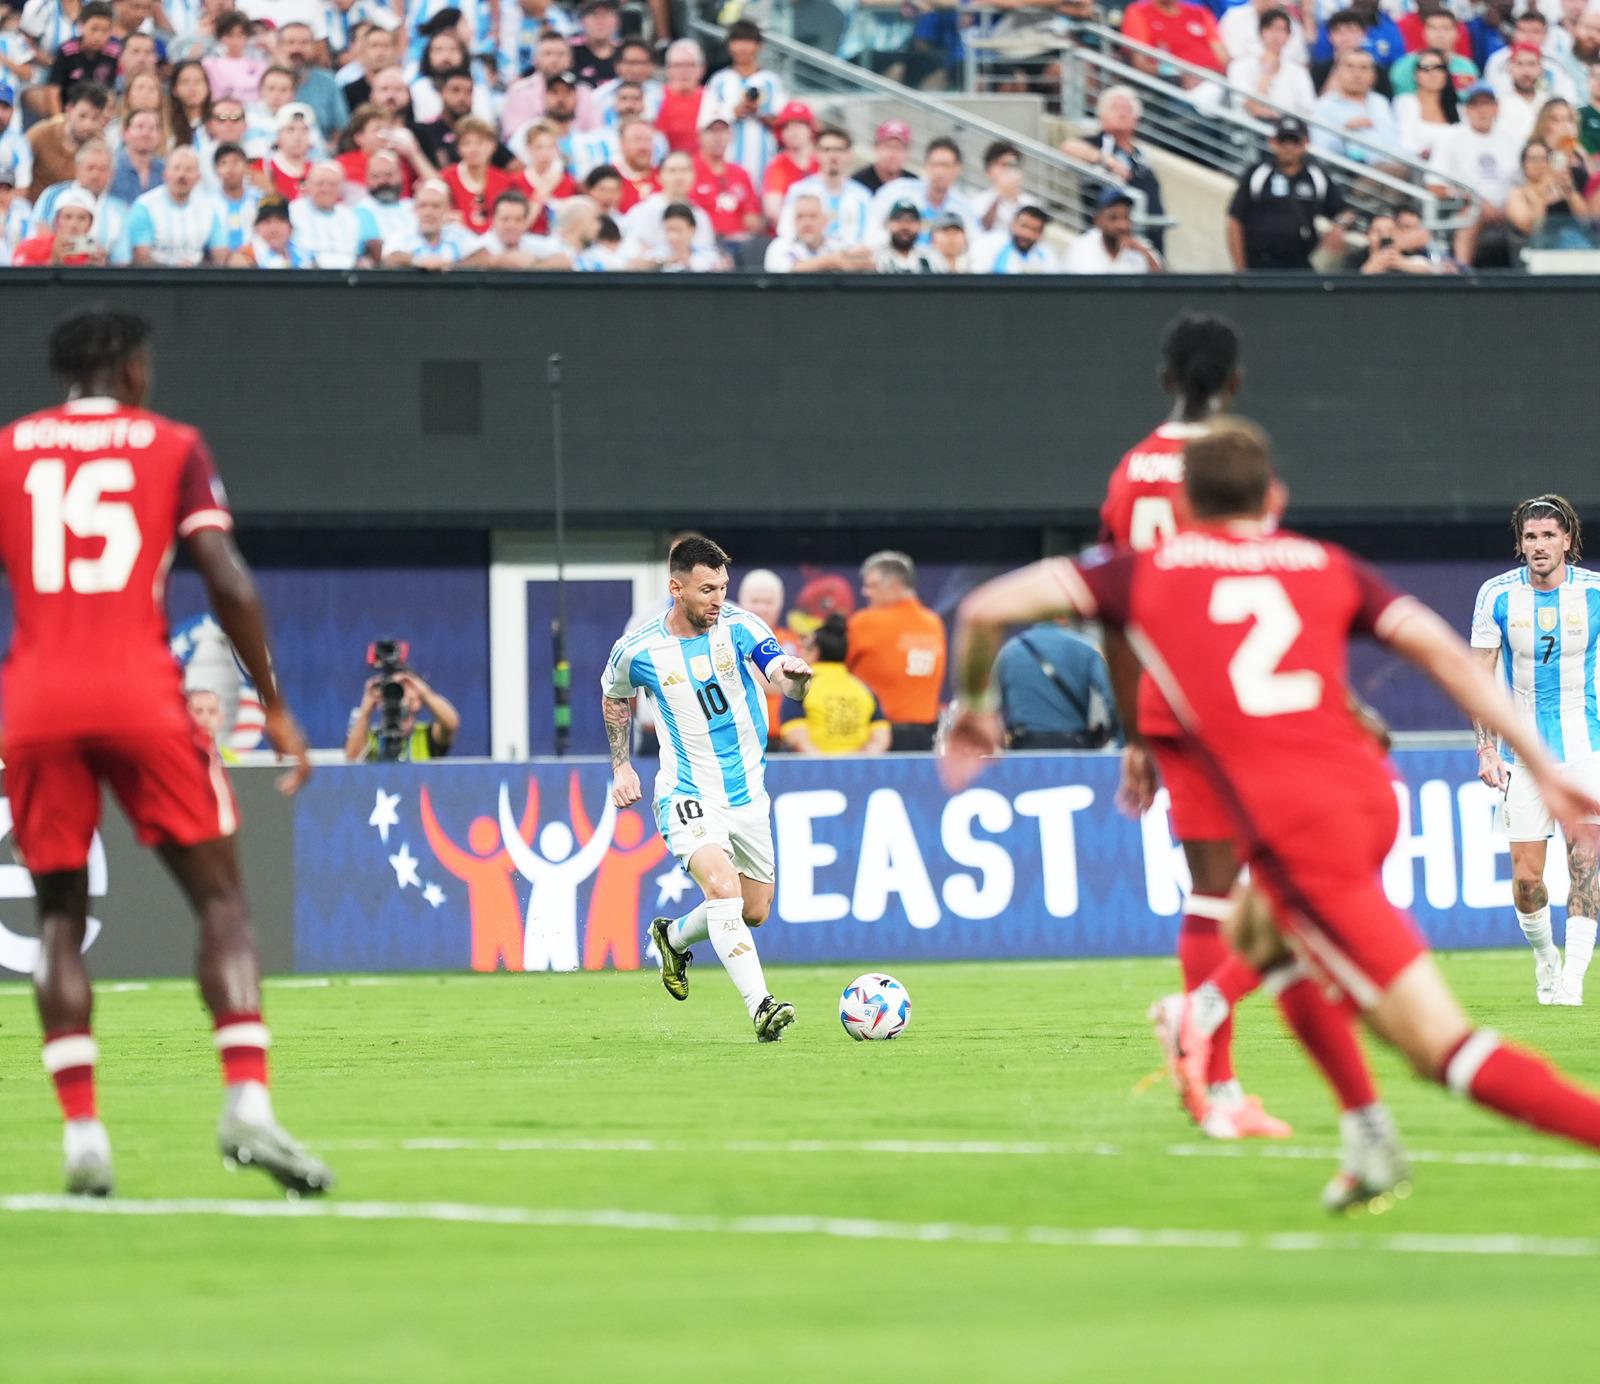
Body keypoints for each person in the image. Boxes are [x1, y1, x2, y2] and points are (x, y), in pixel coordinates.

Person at [943, 417, 1600, 1211]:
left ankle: (1226, 1032)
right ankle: (1345, 1123)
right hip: (1365, 793)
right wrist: (1540, 764)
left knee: (1439, 1047)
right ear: (1276, 497)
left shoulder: (1145, 569)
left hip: (1298, 826)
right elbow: (1444, 656)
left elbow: (984, 609)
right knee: (1265, 936)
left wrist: (976, 708)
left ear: (1183, 500)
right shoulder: (1325, 563)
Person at [0, 308, 329, 1198]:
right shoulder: (171, 444)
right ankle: (247, 1104)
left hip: (35, 699)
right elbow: (225, 576)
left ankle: (81, 1134)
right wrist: (275, 702)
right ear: (133, 369)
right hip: (139, 690)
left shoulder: (10, 448)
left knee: (58, 918)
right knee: (221, 899)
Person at [1090, 313, 1319, 1141]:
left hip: (1165, 703)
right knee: (1309, 887)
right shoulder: (1236, 464)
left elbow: (1113, 617)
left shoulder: (1130, 473)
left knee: (1217, 895)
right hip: (1242, 700)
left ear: (1163, 377)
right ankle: (1206, 1037)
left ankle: (1216, 1086)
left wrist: (1134, 733)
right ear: (1236, 380)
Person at [604, 535, 812, 1043]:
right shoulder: (639, 649)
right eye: (706, 590)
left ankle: (672, 937)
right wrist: (622, 767)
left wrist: (798, 681)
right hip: (686, 791)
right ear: (676, 588)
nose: (718, 599)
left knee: (753, 910)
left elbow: (778, 675)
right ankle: (761, 1006)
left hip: (747, 794)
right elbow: (615, 698)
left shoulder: (741, 627)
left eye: (722, 587)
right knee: (721, 888)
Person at [1472, 497, 1600, 1006]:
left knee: (1585, 863)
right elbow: (1478, 677)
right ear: (1520, 544)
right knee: (1528, 880)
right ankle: (1546, 956)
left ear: (1568, 540)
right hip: (1523, 754)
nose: (1539, 546)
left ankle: (1572, 979)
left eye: (1549, 536)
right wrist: (1486, 749)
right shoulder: (1497, 596)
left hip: (1587, 748)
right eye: (1531, 538)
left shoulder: (1595, 593)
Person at [848, 550, 946, 752]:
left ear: (895, 585)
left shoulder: (865, 622)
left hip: (878, 737)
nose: (865, 592)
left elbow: (830, 672)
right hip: (927, 737)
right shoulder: (934, 623)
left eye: (872, 586)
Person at [1226, 115, 1351, 270]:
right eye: (1283, 141)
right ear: (1273, 142)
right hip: (1259, 262)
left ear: (1305, 143)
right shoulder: (1257, 173)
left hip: (1299, 264)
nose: (1288, 147)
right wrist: (1241, 270)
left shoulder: (1316, 176)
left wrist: (1339, 227)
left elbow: (1345, 211)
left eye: (1295, 141)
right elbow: (1234, 220)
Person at [1059, 86, 1167, 253]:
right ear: (1101, 115)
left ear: (1136, 118)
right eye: (1116, 108)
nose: (1122, 114)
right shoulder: (1098, 143)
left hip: (1148, 237)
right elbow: (1068, 147)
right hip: (1111, 240)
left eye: (1127, 110)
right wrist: (1105, 159)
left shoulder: (1141, 154)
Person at [1430, 83, 1520, 263]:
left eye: (1486, 104)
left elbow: (1522, 180)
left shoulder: (1512, 139)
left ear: (1496, 108)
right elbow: (1434, 185)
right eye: (1475, 105)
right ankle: (1462, 274)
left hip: (1509, 206)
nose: (1481, 111)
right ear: (1466, 110)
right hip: (1467, 204)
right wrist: (1474, 200)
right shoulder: (1451, 138)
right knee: (1470, 215)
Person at [995, 620, 1118, 750]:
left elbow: (993, 708)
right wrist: (1118, 740)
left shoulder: (1008, 651)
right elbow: (1112, 699)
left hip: (1023, 749)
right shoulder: (1087, 646)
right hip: (1076, 748)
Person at [780, 614, 890, 756]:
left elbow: (796, 738)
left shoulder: (800, 688)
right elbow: (881, 738)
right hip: (858, 772)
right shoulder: (864, 690)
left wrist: (826, 764)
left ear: (815, 651)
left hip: (814, 772)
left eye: (805, 648)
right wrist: (858, 762)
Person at [702, 18, 783, 187]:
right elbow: (705, 120)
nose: (742, 47)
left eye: (748, 41)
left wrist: (759, 113)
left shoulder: (771, 81)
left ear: (759, 45)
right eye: (737, 41)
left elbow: (782, 122)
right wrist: (733, 113)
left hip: (764, 158)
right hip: (727, 156)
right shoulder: (719, 80)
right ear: (729, 45)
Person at [127, 145, 226, 266]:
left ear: (198, 178)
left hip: (198, 278)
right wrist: (174, 269)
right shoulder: (144, 205)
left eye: (189, 170)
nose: (181, 175)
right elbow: (141, 258)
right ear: (165, 174)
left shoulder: (209, 208)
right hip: (155, 279)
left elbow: (220, 257)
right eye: (176, 168)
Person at [778, 124, 872, 244]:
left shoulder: (862, 196)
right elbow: (786, 233)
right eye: (827, 150)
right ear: (816, 154)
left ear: (849, 155)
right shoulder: (799, 191)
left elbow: (872, 239)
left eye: (839, 150)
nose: (833, 156)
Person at [689, 101, 762, 246]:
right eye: (711, 131)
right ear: (699, 136)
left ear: (731, 135)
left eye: (723, 130)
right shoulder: (689, 169)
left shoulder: (741, 173)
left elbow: (754, 219)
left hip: (739, 246)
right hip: (701, 244)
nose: (718, 137)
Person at [1224, 7, 1317, 121]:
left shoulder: (1299, 72)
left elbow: (1308, 110)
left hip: (1288, 132)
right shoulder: (1239, 66)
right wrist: (1266, 74)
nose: (1276, 35)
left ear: (1289, 36)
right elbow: (1250, 106)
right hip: (1249, 129)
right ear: (1261, 32)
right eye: (1270, 29)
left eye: (1281, 30)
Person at [1312, 49, 1403, 164]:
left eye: (1364, 68)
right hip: (1351, 174)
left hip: (1393, 166)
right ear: (1337, 72)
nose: (1357, 74)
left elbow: (1395, 142)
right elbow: (1321, 152)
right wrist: (1345, 129)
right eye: (1350, 67)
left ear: (1373, 75)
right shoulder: (1324, 105)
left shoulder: (1380, 102)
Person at [1506, 135, 1596, 246]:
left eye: (1543, 159)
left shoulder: (1561, 187)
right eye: (1533, 159)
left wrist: (1570, 192)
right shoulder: (1517, 193)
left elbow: (1586, 220)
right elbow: (1531, 228)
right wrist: (1543, 193)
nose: (1539, 164)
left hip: (1574, 241)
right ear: (1524, 165)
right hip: (1538, 247)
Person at [290, 159, 379, 265]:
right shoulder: (293, 211)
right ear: (308, 185)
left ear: (341, 188)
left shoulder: (352, 215)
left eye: (332, 184)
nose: (326, 189)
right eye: (320, 183)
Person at [761, 189, 871, 271]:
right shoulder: (780, 246)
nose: (806, 223)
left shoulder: (838, 243)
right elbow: (789, 271)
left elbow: (869, 261)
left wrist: (858, 257)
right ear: (793, 221)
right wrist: (831, 261)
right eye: (800, 217)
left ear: (825, 220)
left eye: (813, 216)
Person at [1062, 186, 1164, 272]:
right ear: (1097, 220)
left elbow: (1162, 287)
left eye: (1126, 217)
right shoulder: (1081, 247)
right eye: (1113, 218)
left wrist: (1144, 253)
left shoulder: (1141, 247)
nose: (1122, 225)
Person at [1119, 0, 1228, 80]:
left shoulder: (1200, 12)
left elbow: (1222, 58)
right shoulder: (1138, 11)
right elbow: (1141, 64)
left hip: (1215, 79)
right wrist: (1179, 74)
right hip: (1177, 83)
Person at [381, 174, 475, 265]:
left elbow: (485, 256)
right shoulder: (402, 235)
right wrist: (419, 262)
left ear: (447, 209)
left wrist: (450, 267)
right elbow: (390, 258)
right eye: (423, 206)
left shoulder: (457, 234)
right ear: (415, 209)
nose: (428, 213)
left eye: (435, 206)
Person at [1393, 48, 1461, 160]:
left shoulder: (1457, 107)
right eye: (1426, 68)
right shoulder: (1406, 102)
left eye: (1439, 68)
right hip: (1419, 167)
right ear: (1416, 75)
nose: (1433, 74)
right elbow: (1405, 142)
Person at [8, 185, 105, 263]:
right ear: (56, 221)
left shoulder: (94, 253)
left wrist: (99, 271)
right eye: (67, 217)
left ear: (91, 224)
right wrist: (54, 260)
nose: (73, 224)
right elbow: (21, 282)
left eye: (81, 218)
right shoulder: (30, 247)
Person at [760, 101, 816, 224]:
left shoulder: (822, 161)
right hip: (788, 234)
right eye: (786, 127)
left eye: (799, 124)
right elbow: (773, 213)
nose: (793, 131)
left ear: (810, 129)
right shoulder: (777, 165)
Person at [228, 193, 316, 265]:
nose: (273, 229)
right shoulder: (246, 257)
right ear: (256, 228)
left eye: (279, 221)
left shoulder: (305, 257)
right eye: (267, 222)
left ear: (290, 227)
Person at [978, 202, 1058, 272]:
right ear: (1012, 224)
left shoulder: (1046, 254)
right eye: (1024, 226)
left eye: (1034, 230)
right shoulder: (992, 243)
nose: (1027, 234)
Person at [109, 106, 164, 202]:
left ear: (159, 136)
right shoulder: (111, 168)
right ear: (125, 132)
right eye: (140, 127)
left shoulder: (166, 170)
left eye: (152, 128)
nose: (146, 133)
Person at [852, 117, 910, 194]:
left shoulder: (913, 185)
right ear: (876, 148)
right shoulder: (857, 185)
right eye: (887, 147)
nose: (892, 154)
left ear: (907, 152)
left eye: (898, 148)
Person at [876, 198, 934, 271]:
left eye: (911, 220)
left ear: (920, 225)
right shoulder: (875, 257)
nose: (905, 226)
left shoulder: (931, 258)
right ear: (888, 224)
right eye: (898, 220)